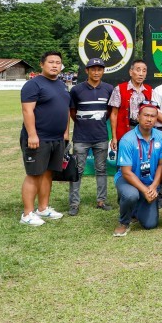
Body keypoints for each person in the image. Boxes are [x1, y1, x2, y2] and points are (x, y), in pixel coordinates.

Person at [19, 51, 71, 226]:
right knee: (34, 174)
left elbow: (64, 110)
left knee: (48, 174)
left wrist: (65, 132)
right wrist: (32, 134)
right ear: (42, 64)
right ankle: (27, 214)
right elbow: (27, 111)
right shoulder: (33, 85)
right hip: (38, 138)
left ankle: (43, 208)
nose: (55, 65)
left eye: (58, 62)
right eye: (51, 62)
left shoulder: (62, 85)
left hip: (56, 138)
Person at [112, 101, 162, 236]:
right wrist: (145, 190)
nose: (149, 119)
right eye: (146, 115)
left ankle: (136, 206)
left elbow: (161, 165)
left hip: (149, 183)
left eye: (153, 116)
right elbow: (126, 172)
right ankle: (124, 222)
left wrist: (154, 187)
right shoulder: (127, 139)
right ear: (138, 117)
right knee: (131, 194)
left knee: (150, 225)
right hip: (128, 180)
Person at [67, 57, 114, 216]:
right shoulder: (76, 90)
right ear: (87, 71)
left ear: (103, 71)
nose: (96, 72)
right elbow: (73, 112)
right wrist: (83, 123)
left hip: (101, 137)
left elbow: (108, 112)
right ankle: (74, 203)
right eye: (93, 69)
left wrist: (97, 122)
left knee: (101, 170)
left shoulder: (108, 89)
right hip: (81, 138)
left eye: (99, 69)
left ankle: (101, 201)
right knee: (77, 171)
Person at [109, 59, 153, 148]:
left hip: (144, 131)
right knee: (124, 160)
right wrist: (114, 137)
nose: (141, 74)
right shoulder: (119, 89)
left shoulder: (149, 90)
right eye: (138, 70)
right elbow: (114, 114)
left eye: (144, 71)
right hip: (125, 130)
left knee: (142, 159)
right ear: (131, 72)